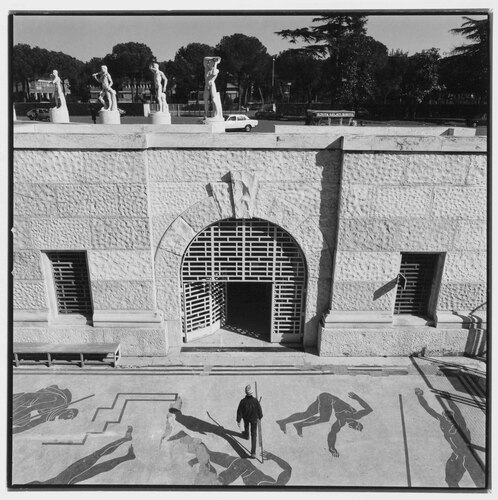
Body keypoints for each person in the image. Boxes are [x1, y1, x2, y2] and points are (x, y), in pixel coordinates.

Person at [415, 388, 485, 487]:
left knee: (480, 482)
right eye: (445, 416)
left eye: (449, 416)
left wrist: (448, 399)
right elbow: (428, 409)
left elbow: (456, 411)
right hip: (457, 455)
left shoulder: (461, 424)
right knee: (450, 480)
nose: (446, 417)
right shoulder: (444, 422)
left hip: (467, 456)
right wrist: (419, 396)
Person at [276, 392, 372, 457]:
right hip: (327, 398)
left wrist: (331, 448)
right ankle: (299, 425)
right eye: (357, 427)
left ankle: (283, 422)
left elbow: (332, 433)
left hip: (325, 399)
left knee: (307, 414)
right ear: (357, 422)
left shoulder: (341, 422)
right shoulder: (355, 415)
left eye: (356, 429)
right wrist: (357, 397)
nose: (353, 427)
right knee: (324, 418)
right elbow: (368, 409)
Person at [28, 426, 135, 484]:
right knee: (99, 461)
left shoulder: (40, 486)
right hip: (70, 478)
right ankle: (126, 441)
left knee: (98, 461)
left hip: (67, 475)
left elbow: (35, 484)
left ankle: (128, 453)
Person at [13, 385, 80, 434]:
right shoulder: (60, 403)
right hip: (27, 399)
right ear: (70, 411)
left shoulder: (51, 415)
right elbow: (32, 408)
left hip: (27, 404)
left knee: (23, 422)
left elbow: (33, 423)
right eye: (70, 416)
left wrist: (14, 431)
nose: (66, 419)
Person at [236, 384, 263, 459]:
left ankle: (247, 435)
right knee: (254, 434)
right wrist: (260, 417)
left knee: (246, 426)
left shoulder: (243, 401)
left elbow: (239, 411)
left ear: (245, 392)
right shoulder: (255, 401)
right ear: (252, 393)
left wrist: (238, 420)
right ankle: (253, 453)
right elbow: (259, 410)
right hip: (254, 419)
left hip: (246, 418)